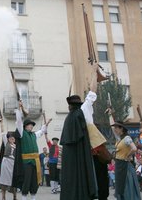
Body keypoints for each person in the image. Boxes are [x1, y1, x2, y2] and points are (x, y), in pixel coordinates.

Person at [60, 63, 108, 200]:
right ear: (79, 104)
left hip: (72, 158)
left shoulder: (68, 119)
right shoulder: (83, 111)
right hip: (89, 153)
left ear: (69, 107)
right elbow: (92, 93)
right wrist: (94, 72)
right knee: (97, 177)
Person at [12, 100, 51, 200]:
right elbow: (19, 122)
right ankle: (24, 197)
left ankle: (33, 197)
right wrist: (20, 109)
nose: (31, 126)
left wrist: (46, 124)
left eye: (32, 125)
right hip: (26, 162)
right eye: (30, 125)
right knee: (27, 180)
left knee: (34, 180)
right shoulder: (22, 133)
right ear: (25, 126)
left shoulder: (34, 135)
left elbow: (42, 131)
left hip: (35, 161)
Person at [111, 121, 141, 199]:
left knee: (126, 187)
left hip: (125, 166)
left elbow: (134, 148)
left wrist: (128, 155)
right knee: (121, 186)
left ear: (122, 129)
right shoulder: (119, 139)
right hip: (119, 165)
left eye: (116, 128)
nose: (115, 129)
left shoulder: (126, 138)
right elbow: (112, 128)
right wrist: (110, 115)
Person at [0, 115, 17, 200]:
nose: (12, 139)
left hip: (13, 163)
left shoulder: (17, 146)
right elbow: (3, 132)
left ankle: (14, 196)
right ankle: (3, 197)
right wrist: (1, 123)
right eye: (10, 138)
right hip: (6, 162)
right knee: (4, 180)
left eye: (13, 138)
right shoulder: (6, 143)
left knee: (13, 180)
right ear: (8, 139)